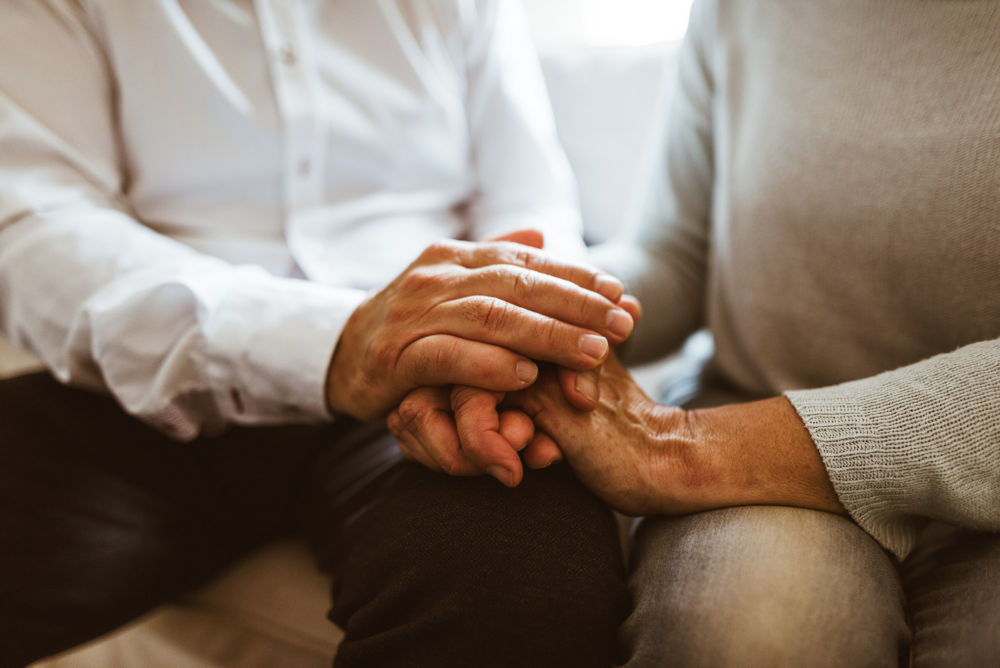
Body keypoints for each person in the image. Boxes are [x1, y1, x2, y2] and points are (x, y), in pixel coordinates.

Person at [0, 2, 635, 666]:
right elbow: (37, 224)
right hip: (148, 378)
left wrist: (501, 351)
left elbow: (528, 201)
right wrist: (337, 343)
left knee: (524, 579)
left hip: (428, 386)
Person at [404, 1, 1000, 665]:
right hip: (753, 419)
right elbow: (680, 252)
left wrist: (678, 449)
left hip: (764, 449)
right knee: (743, 645)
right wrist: (532, 330)